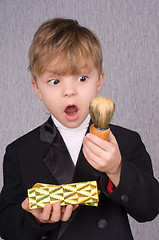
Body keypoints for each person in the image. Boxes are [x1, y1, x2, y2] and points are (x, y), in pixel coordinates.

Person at [0, 18, 159, 240]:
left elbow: (151, 209)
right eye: (55, 81)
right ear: (37, 88)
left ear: (99, 80)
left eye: (82, 78)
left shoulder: (126, 140)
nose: (69, 91)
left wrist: (117, 169)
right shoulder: (20, 152)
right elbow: (6, 225)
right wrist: (35, 218)